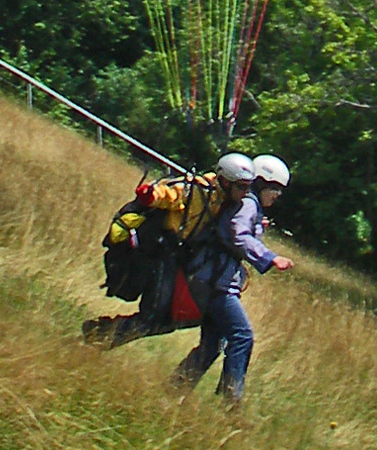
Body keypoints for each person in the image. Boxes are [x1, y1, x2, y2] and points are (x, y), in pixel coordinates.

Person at [82, 152, 257, 348]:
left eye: (249, 187)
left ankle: (99, 333)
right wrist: (151, 195)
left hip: (182, 259)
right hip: (162, 253)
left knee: (168, 320)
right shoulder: (197, 190)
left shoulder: (229, 203)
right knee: (154, 316)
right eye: (242, 187)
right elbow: (170, 194)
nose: (246, 192)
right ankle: (98, 337)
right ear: (225, 181)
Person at [170, 154, 294, 402]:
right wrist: (270, 258)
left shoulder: (247, 205)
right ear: (260, 183)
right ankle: (230, 402)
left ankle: (174, 389)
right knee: (242, 336)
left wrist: (259, 226)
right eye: (275, 188)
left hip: (209, 278)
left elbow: (237, 230)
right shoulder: (249, 203)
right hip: (216, 283)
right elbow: (239, 235)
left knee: (212, 346)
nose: (277, 195)